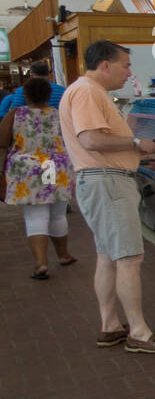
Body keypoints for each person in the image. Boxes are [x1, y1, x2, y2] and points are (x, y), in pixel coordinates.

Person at [59, 40, 155, 353]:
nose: (129, 72)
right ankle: (139, 332)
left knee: (108, 256)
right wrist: (136, 142)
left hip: (102, 181)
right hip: (108, 184)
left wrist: (139, 153)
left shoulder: (87, 91)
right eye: (125, 65)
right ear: (105, 65)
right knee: (128, 258)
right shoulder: (87, 91)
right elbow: (91, 139)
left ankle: (110, 325)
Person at [0, 76, 74, 278]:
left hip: (28, 171)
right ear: (49, 95)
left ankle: (41, 264)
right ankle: (64, 255)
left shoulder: (16, 115)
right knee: (57, 213)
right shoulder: (60, 115)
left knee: (36, 216)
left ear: (25, 95)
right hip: (53, 168)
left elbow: (2, 141)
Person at [0, 59, 64, 118]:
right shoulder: (62, 90)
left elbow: (16, 113)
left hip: (30, 127)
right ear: (48, 73)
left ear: (31, 74)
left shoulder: (22, 91)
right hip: (58, 125)